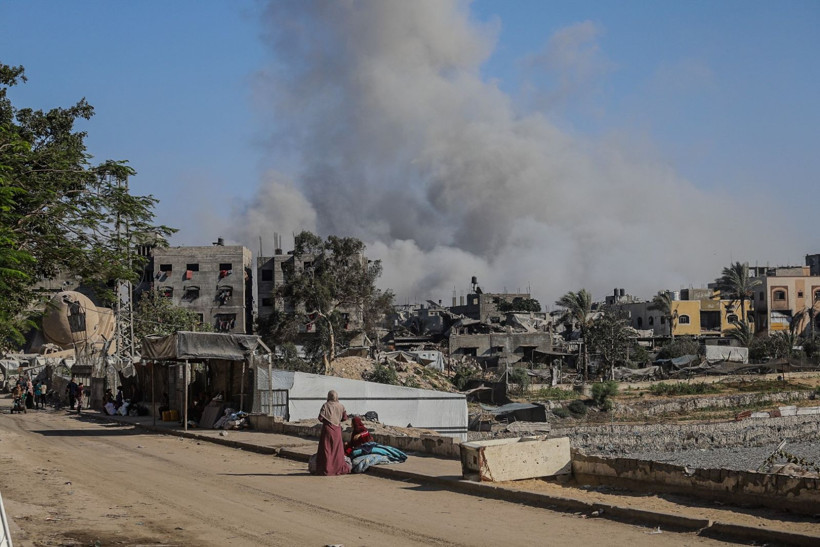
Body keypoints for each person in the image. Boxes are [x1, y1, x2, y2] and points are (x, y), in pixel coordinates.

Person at [313, 390, 350, 476]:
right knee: (337, 450)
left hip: (327, 430)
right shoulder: (341, 406)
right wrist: (337, 419)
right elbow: (345, 418)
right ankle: (337, 468)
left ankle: (326, 469)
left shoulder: (325, 405)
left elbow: (320, 418)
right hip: (337, 430)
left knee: (326, 450)